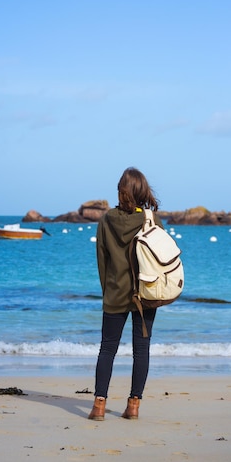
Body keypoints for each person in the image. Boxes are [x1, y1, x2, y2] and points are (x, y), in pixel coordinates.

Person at [88, 167, 163, 421]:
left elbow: (102, 262)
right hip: (146, 294)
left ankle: (99, 406)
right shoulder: (151, 220)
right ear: (142, 191)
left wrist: (108, 292)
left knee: (107, 350)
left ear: (120, 191)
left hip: (115, 294)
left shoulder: (106, 220)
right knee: (141, 351)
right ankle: (134, 406)